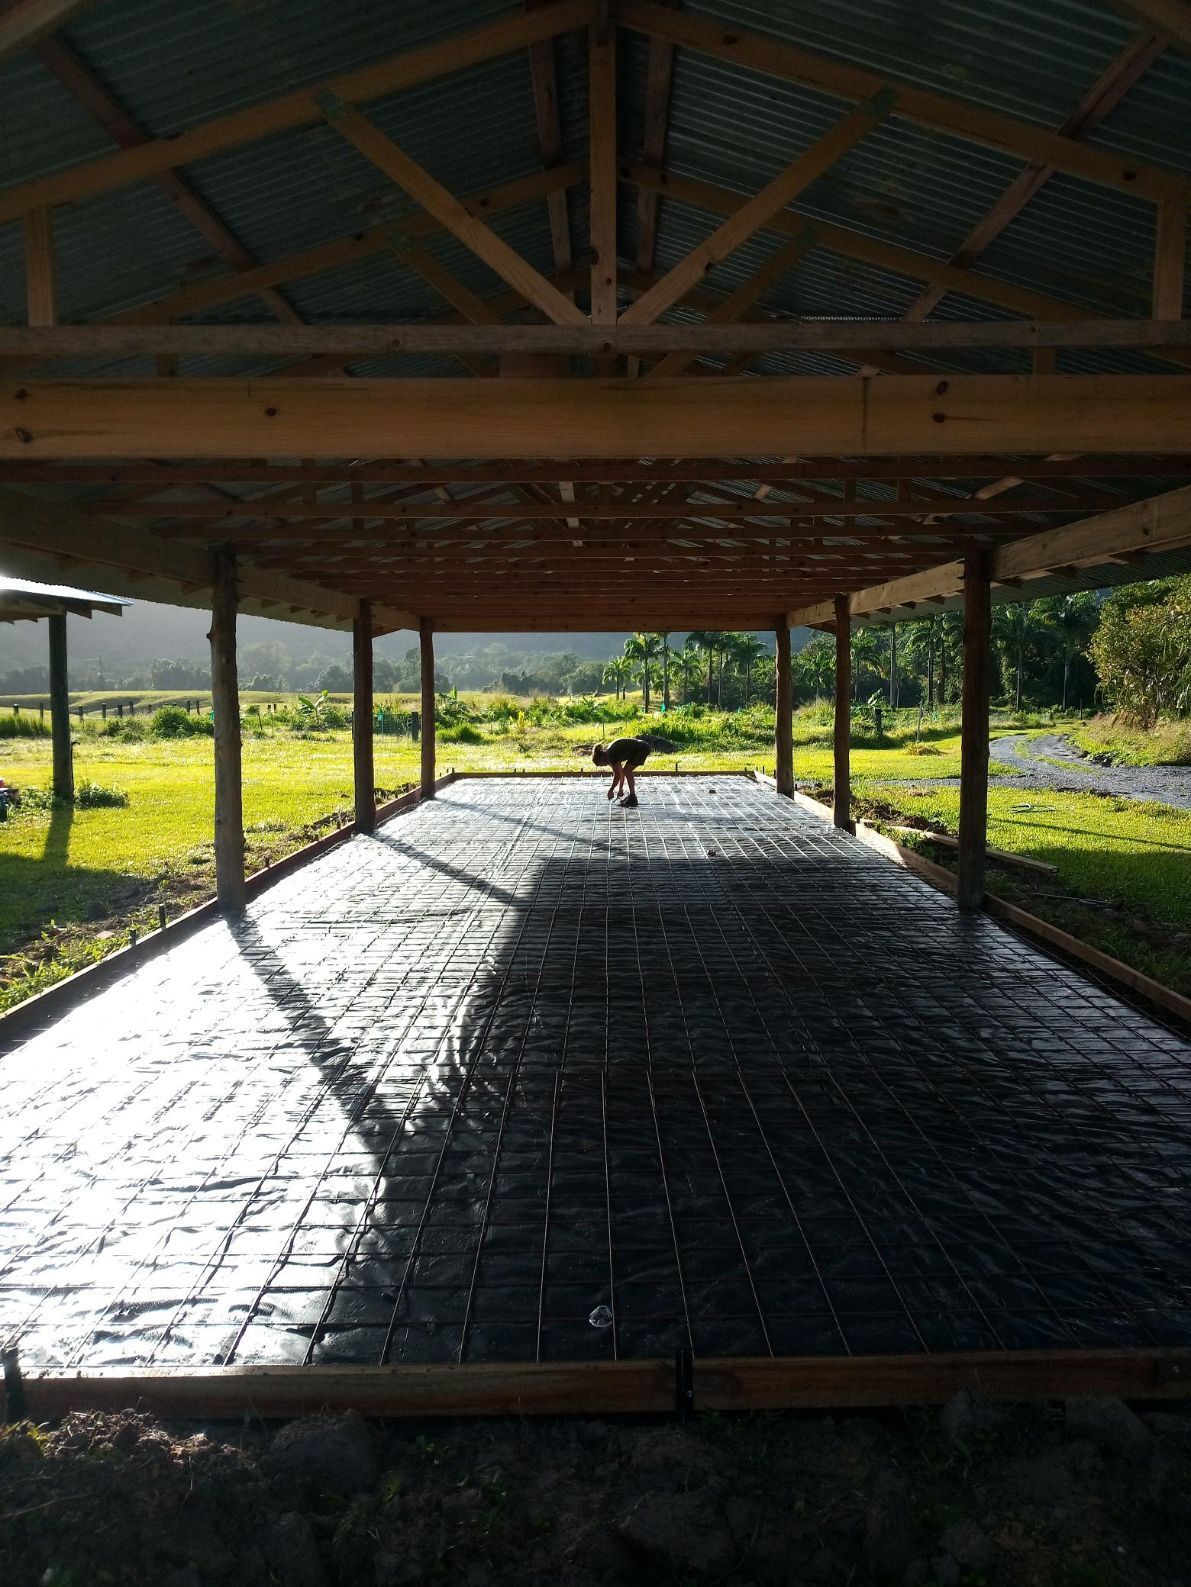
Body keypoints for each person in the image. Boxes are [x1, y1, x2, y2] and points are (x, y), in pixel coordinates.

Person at [591, 737, 651, 807]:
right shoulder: (610, 753)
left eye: (602, 764)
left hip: (642, 748)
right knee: (626, 771)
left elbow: (617, 775)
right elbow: (621, 773)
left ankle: (632, 797)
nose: (605, 765)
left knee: (627, 771)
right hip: (642, 746)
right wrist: (620, 789)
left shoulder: (611, 755)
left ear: (601, 758)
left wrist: (611, 789)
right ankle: (632, 796)